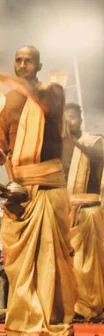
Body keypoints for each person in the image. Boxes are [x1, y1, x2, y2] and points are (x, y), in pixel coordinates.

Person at [0, 45, 77, 336]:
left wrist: (14, 83)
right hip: (20, 190)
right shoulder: (6, 102)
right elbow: (0, 141)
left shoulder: (53, 91)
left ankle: (51, 315)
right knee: (19, 263)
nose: (23, 64)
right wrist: (0, 155)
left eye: (29, 61)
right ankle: (25, 315)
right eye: (19, 60)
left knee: (50, 257)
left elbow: (43, 102)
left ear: (39, 66)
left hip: (49, 185)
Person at [63, 103, 104, 320]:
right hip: (69, 213)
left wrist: (77, 144)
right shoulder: (61, 147)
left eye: (73, 118)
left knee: (90, 265)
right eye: (66, 118)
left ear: (80, 120)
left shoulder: (92, 141)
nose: (69, 122)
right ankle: (78, 307)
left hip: (90, 211)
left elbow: (101, 156)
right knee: (73, 265)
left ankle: (93, 307)